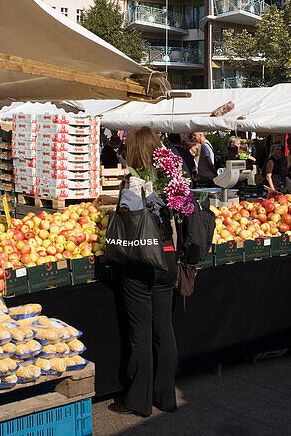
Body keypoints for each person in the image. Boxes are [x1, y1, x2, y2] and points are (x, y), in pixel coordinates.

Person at [99, 126, 177, 418]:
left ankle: (138, 401)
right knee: (163, 329)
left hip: (141, 263)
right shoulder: (172, 179)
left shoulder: (133, 181)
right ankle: (166, 396)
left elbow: (129, 219)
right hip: (168, 259)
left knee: (140, 332)